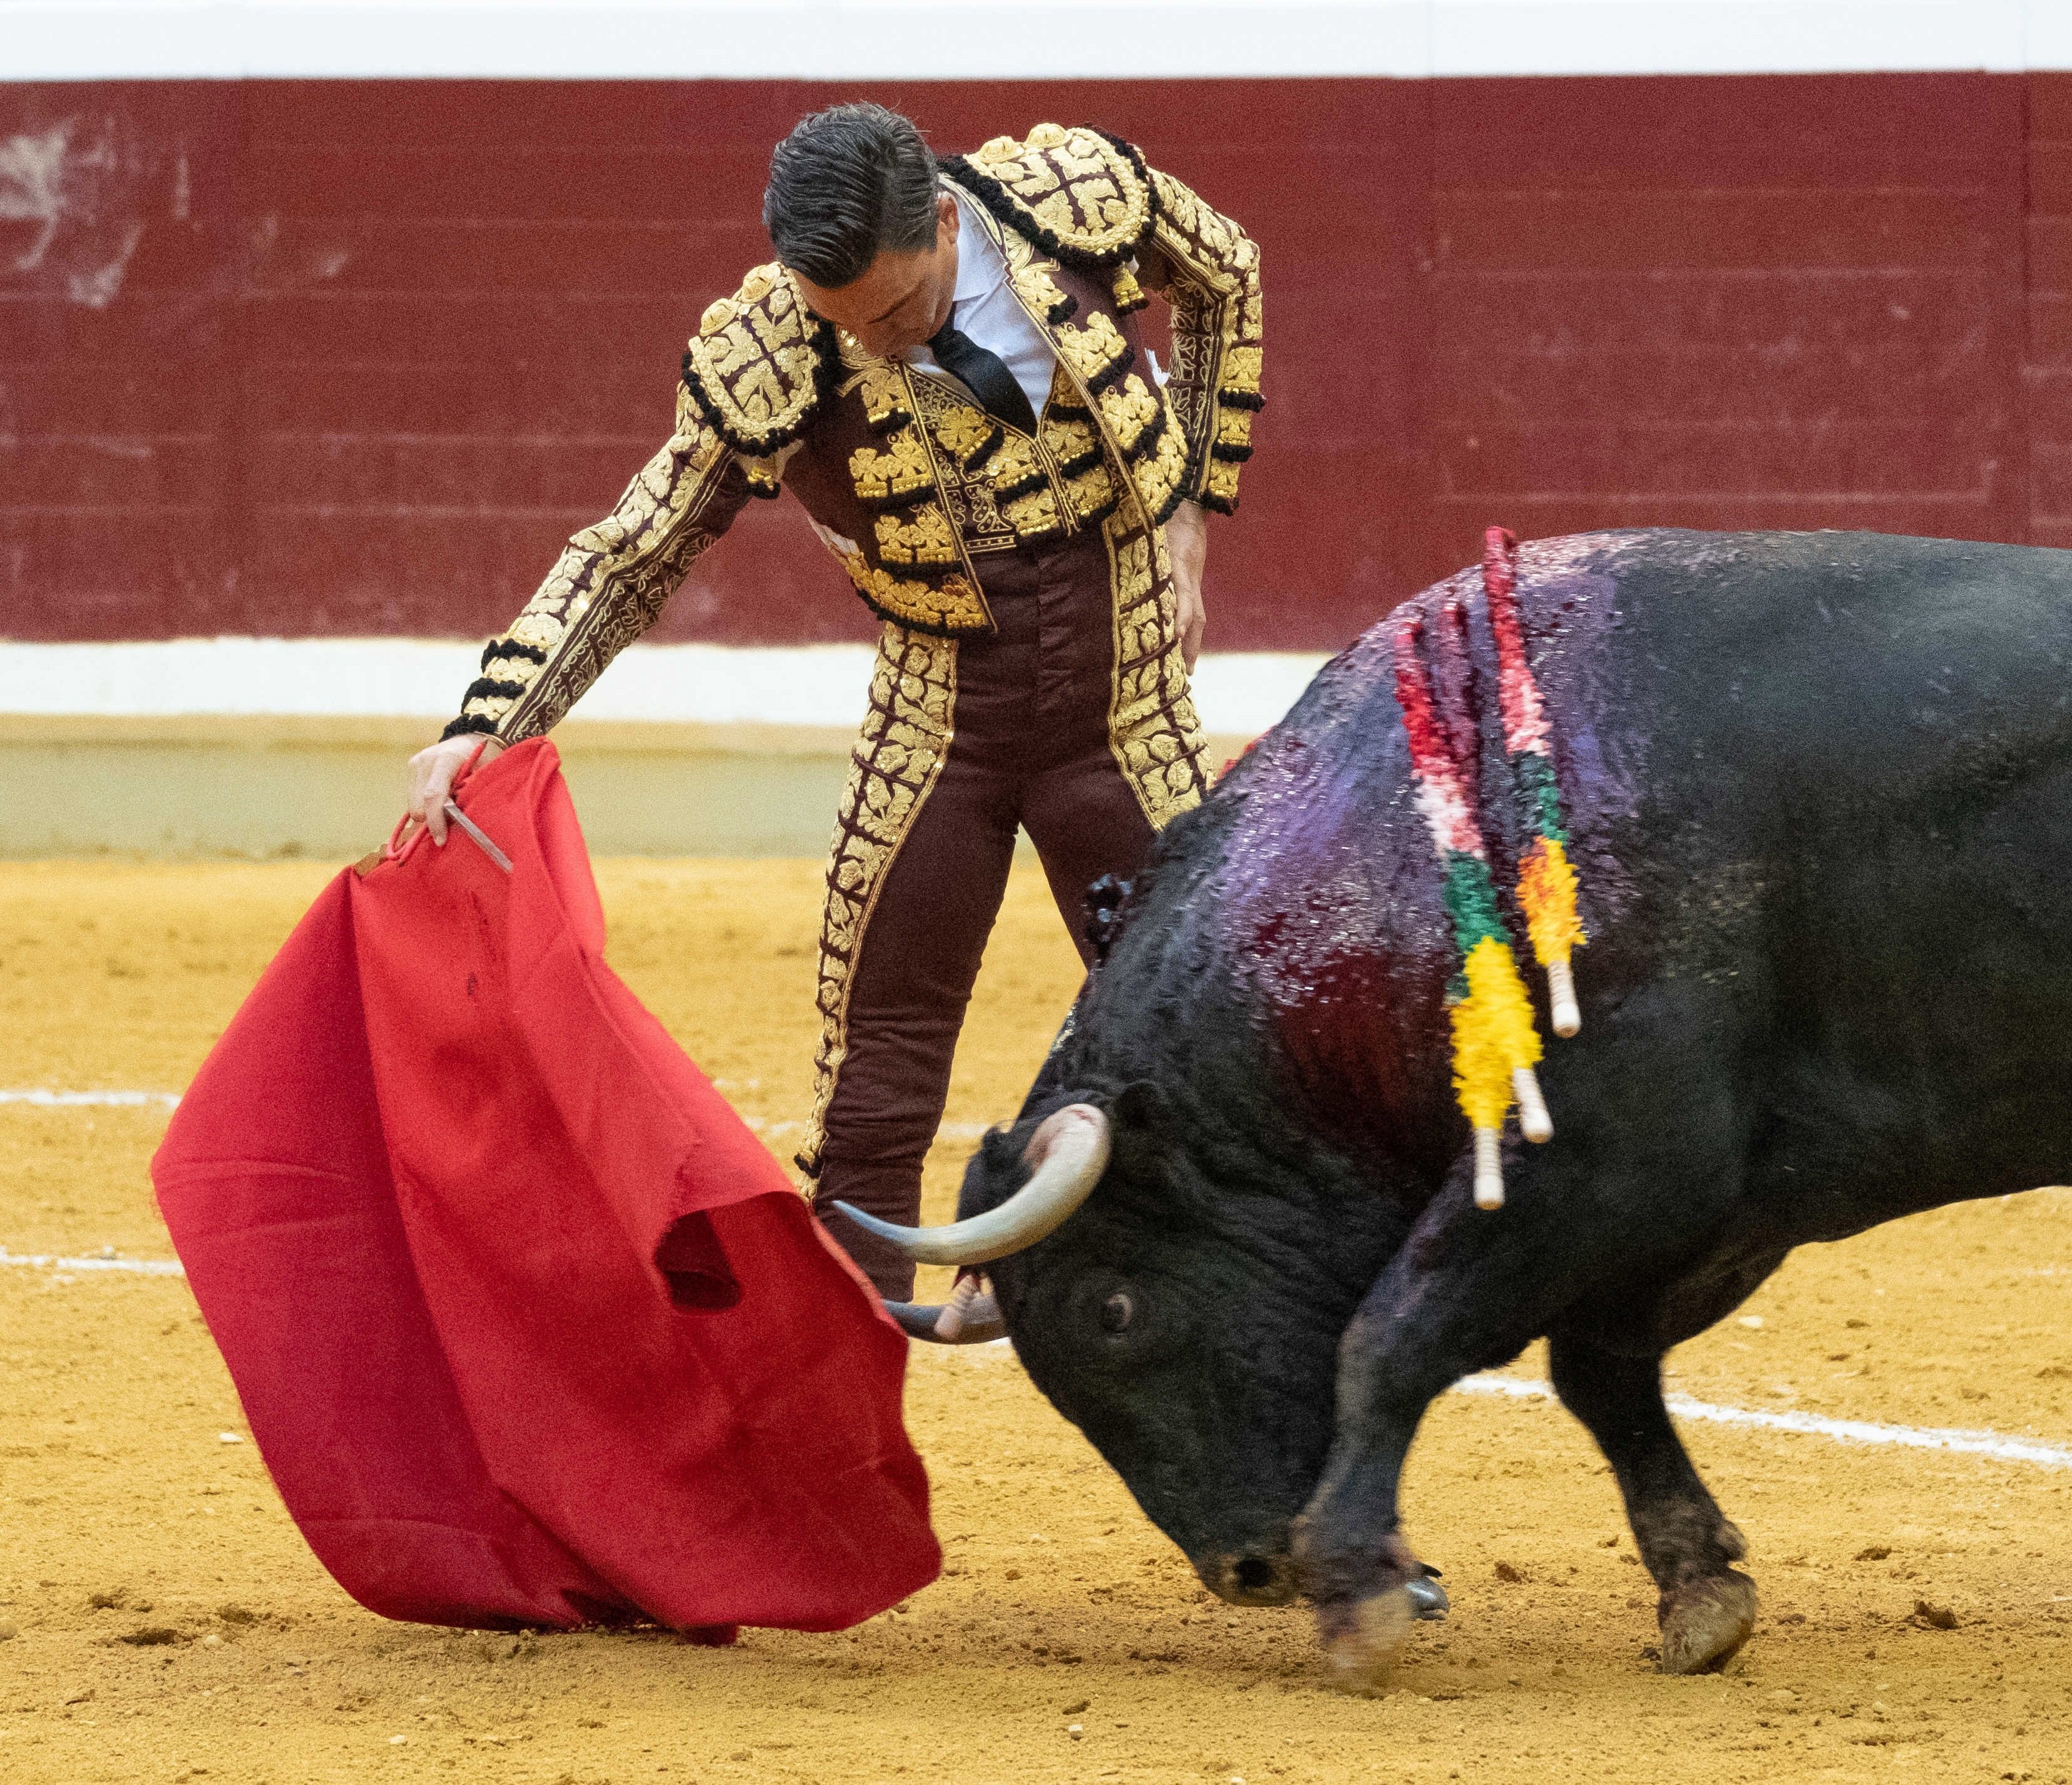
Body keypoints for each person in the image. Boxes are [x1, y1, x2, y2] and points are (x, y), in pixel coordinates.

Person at [404, 103, 1264, 1300]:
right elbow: (634, 551)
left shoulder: (1073, 204)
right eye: (846, 324)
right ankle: (843, 1399)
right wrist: (488, 721)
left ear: (948, 222)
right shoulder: (771, 355)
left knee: (1208, 1039)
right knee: (873, 1083)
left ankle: (1217, 1345)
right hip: (938, 722)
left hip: (1124, 702)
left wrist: (1191, 519)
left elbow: (1226, 272)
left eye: (906, 313)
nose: (887, 344)